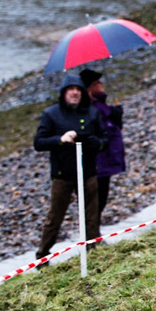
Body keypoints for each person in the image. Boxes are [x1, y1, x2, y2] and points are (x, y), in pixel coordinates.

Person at [33, 73, 107, 263]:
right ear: (64, 93)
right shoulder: (52, 114)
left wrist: (94, 142)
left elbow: (105, 140)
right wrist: (60, 139)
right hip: (62, 174)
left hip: (88, 172)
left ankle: (94, 247)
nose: (74, 93)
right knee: (55, 217)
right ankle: (42, 255)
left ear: (82, 92)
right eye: (70, 90)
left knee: (91, 214)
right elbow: (39, 142)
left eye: (77, 90)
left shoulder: (92, 113)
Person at [80, 68, 126, 225]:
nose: (102, 85)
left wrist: (116, 115)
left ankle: (94, 235)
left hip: (106, 160)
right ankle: (91, 238)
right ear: (92, 86)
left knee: (101, 198)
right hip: (99, 162)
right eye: (98, 83)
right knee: (96, 201)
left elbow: (113, 128)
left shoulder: (100, 105)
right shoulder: (91, 109)